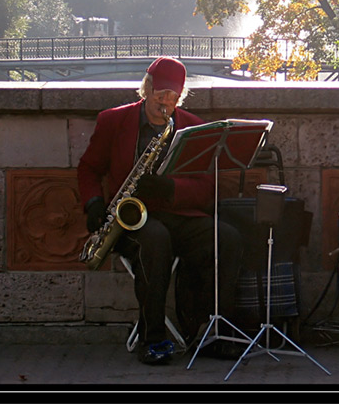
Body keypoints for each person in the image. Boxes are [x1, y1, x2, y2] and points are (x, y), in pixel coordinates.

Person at [77, 56, 243, 365]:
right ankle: (152, 339)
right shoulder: (113, 121)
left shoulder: (193, 127)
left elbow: (208, 187)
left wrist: (171, 189)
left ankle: (215, 332)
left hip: (178, 215)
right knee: (155, 240)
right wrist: (93, 203)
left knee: (227, 238)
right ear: (146, 88)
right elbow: (88, 169)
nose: (165, 102)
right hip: (130, 223)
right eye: (160, 94)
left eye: (173, 96)